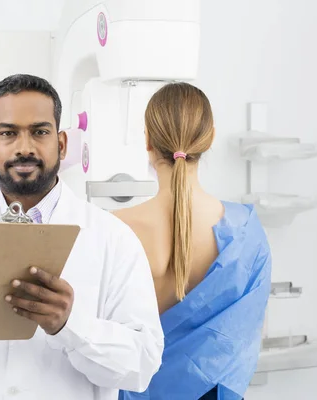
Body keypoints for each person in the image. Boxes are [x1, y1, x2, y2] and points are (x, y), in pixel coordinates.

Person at [0, 74, 164, 400]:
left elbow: (142, 366)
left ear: (61, 144)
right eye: (8, 133)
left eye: (39, 132)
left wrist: (70, 326)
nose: (24, 148)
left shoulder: (114, 239)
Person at [113, 82, 272, 400]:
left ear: (147, 140)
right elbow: (243, 339)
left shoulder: (116, 229)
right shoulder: (246, 233)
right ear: (210, 136)